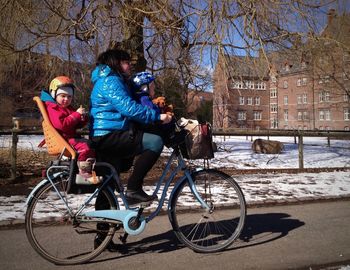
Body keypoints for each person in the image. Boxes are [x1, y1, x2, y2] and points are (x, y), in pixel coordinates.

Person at [89, 49, 172, 205]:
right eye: (126, 62)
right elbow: (128, 108)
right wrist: (156, 116)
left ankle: (103, 227)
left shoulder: (113, 80)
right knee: (154, 142)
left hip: (108, 134)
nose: (130, 66)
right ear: (116, 63)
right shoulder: (110, 81)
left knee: (109, 182)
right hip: (108, 135)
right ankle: (134, 189)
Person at [40, 76, 101, 184]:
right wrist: (76, 115)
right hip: (62, 139)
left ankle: (89, 170)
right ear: (54, 94)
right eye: (63, 96)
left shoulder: (67, 108)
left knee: (91, 145)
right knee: (85, 147)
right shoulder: (53, 108)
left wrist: (82, 118)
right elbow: (62, 125)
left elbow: (74, 124)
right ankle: (83, 174)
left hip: (68, 138)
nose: (66, 99)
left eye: (69, 97)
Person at [129, 71, 176, 145]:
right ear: (144, 88)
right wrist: (167, 117)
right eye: (152, 86)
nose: (154, 88)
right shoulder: (144, 99)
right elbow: (153, 114)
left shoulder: (141, 98)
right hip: (153, 131)